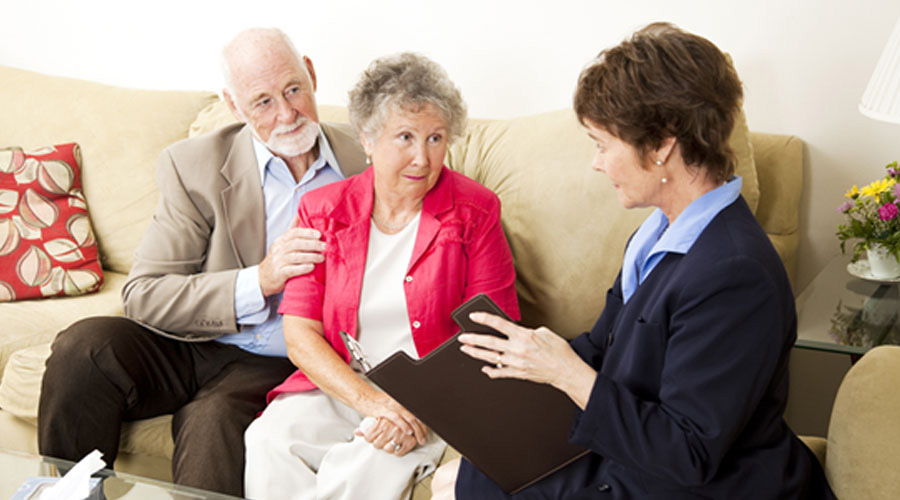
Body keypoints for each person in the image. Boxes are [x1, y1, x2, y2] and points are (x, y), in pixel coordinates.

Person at [431, 23, 836, 500]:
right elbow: (604, 347)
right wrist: (517, 366)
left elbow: (688, 452)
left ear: (663, 144)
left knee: (463, 486)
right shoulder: (657, 235)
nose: (597, 163)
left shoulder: (735, 273)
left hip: (703, 483)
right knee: (462, 476)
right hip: (636, 453)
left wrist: (567, 374)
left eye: (603, 144)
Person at [37, 28, 368, 496]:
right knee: (83, 348)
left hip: (284, 359)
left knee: (212, 421)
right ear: (234, 106)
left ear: (311, 74)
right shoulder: (194, 165)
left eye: (293, 89)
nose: (287, 113)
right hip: (191, 341)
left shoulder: (370, 160)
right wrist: (262, 279)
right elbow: (144, 294)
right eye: (263, 102)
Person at [243, 52, 519, 500]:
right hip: (344, 386)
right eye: (405, 137)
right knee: (269, 440)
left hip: (430, 395)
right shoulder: (322, 210)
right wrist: (372, 402)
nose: (422, 157)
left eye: (435, 138)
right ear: (368, 140)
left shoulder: (475, 211)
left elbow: (495, 333)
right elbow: (299, 333)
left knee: (363, 466)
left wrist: (416, 408)